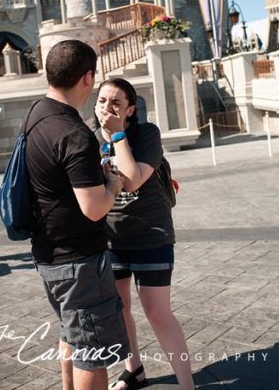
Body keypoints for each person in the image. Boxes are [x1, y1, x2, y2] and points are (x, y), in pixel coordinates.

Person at [26, 39, 129, 390]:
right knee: (92, 353)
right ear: (88, 78)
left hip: (48, 253)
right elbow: (94, 208)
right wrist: (112, 185)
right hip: (79, 262)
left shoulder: (37, 114)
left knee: (71, 337)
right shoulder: (73, 133)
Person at [95, 78, 193, 390]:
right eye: (101, 101)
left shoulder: (146, 133)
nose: (107, 108)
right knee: (119, 309)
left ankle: (187, 385)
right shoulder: (86, 136)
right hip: (111, 237)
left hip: (151, 234)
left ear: (130, 109)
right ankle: (133, 369)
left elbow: (133, 179)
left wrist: (118, 134)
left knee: (156, 311)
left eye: (116, 103)